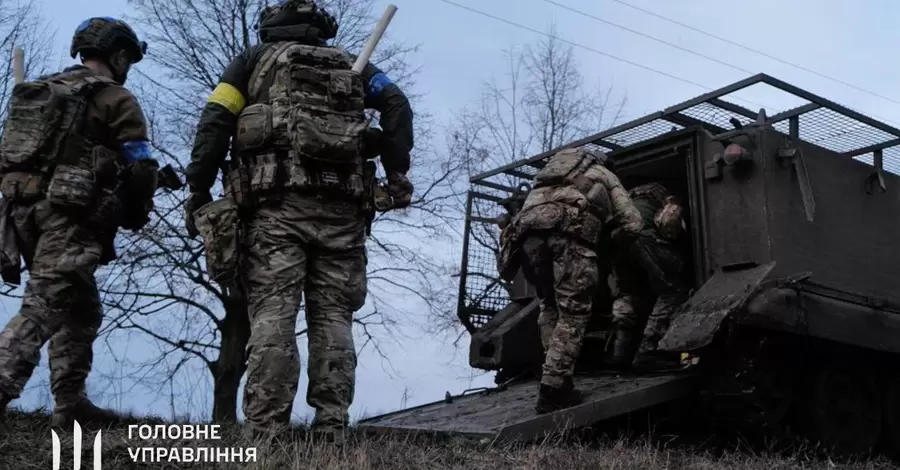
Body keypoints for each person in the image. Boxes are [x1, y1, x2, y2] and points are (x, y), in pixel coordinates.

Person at [183, 0, 414, 441]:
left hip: (274, 209)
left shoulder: (251, 61)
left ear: (271, 27)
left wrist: (199, 185)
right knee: (334, 320)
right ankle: (332, 427)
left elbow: (216, 120)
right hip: (343, 213)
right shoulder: (353, 65)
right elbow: (396, 103)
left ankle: (265, 429)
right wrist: (396, 167)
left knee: (273, 316)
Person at [0, 17, 158, 429]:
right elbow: (140, 165)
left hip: (23, 215)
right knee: (45, 306)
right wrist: (137, 210)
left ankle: (71, 405)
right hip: (70, 218)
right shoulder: (115, 98)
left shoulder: (41, 92)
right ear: (119, 55)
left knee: (82, 308)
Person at [497, 147, 643, 413]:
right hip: (569, 239)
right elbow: (633, 224)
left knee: (549, 306)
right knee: (573, 312)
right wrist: (607, 248)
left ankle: (556, 377)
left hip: (528, 242)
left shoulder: (543, 180)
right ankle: (553, 389)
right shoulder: (602, 173)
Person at [608, 182, 690, 372]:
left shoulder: (625, 200)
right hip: (643, 237)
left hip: (616, 244)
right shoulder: (666, 198)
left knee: (629, 294)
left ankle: (619, 353)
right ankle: (648, 353)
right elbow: (669, 223)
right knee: (673, 292)